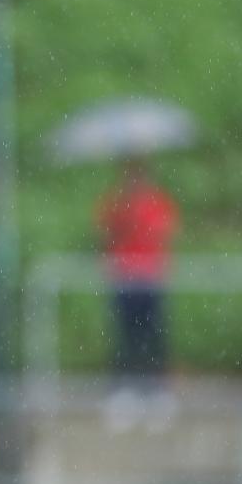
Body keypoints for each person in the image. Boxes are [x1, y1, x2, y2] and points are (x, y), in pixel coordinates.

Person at [97, 158, 179, 432]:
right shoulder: (117, 204)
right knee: (126, 335)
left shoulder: (156, 202)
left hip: (149, 278)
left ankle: (157, 390)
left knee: (153, 336)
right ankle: (125, 389)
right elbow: (105, 234)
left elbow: (164, 232)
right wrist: (123, 221)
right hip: (124, 277)